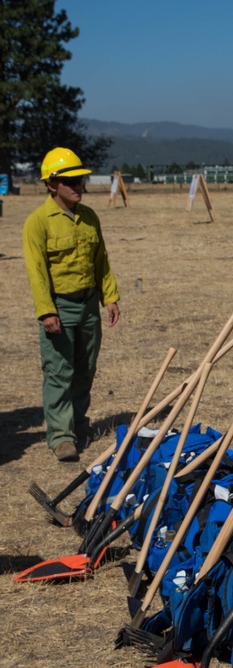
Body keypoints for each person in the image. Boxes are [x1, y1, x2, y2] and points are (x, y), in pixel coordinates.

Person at [23, 148, 121, 462]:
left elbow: (101, 260)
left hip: (89, 304)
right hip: (59, 308)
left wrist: (110, 296)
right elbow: (36, 271)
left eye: (80, 179)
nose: (78, 185)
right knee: (58, 373)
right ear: (52, 184)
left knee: (85, 370)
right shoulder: (38, 223)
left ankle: (78, 426)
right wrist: (46, 310)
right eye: (70, 181)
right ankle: (62, 437)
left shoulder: (90, 217)